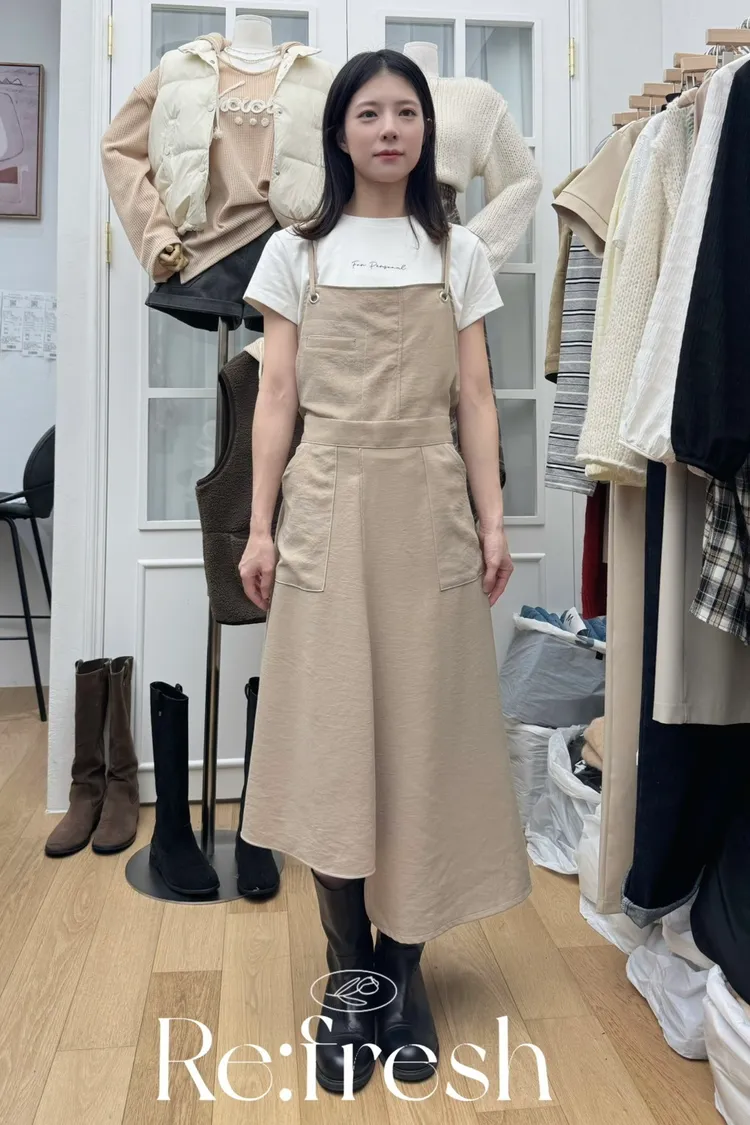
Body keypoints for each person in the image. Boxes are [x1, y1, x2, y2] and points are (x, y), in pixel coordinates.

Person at [238, 49, 531, 1097]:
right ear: (340, 132)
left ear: (426, 133)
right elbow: (277, 396)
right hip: (327, 505)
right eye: (370, 113)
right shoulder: (292, 253)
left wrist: (493, 519)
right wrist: (260, 527)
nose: (390, 129)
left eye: (407, 112)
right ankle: (351, 975)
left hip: (428, 507)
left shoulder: (458, 252)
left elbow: (477, 398)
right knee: (331, 744)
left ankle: (406, 971)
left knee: (422, 740)